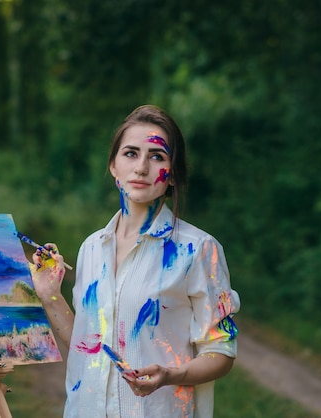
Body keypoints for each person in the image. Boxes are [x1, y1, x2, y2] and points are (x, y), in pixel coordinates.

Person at [30, 104, 240, 418]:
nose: (141, 167)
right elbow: (88, 344)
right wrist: (50, 296)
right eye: (130, 153)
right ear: (113, 166)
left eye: (157, 156)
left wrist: (171, 375)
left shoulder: (198, 250)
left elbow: (221, 351)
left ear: (172, 174)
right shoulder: (91, 248)